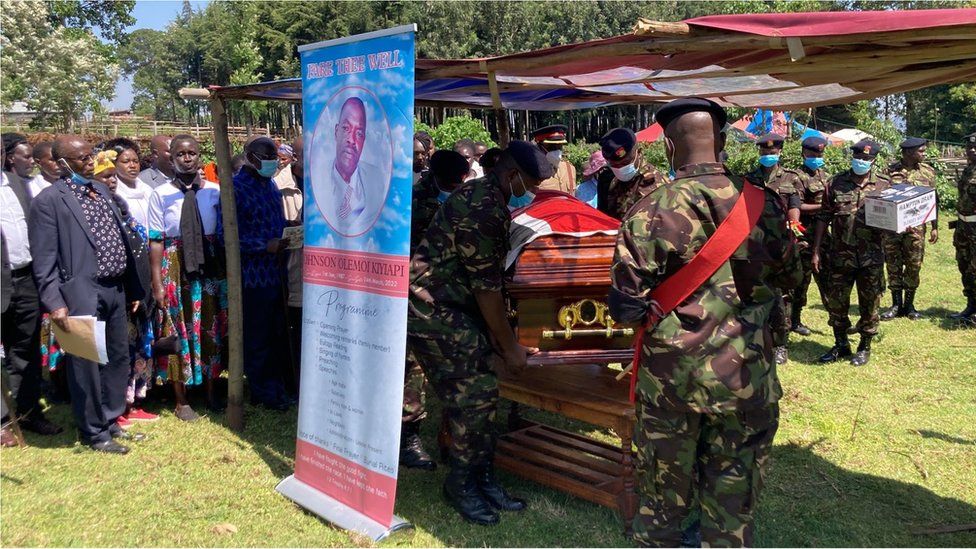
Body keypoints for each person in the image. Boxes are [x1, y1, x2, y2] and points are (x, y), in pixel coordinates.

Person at [608, 98, 800, 547]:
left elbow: (624, 305)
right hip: (745, 374)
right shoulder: (763, 204)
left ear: (670, 148)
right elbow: (791, 276)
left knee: (661, 498)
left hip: (673, 382)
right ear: (721, 140)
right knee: (733, 498)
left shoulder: (650, 209)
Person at [408, 141, 554, 525]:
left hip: (455, 305)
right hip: (432, 307)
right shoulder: (484, 207)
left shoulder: (488, 195)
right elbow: (486, 289)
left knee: (483, 392)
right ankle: (461, 483)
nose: (534, 193)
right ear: (511, 176)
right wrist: (510, 348)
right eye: (532, 185)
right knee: (472, 395)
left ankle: (483, 477)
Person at [29, 135, 145, 454]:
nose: (91, 161)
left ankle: (109, 418)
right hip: (79, 291)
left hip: (114, 288)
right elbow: (44, 258)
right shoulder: (49, 201)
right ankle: (93, 431)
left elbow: (119, 239)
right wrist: (54, 302)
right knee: (86, 364)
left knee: (118, 357)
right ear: (64, 163)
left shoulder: (100, 191)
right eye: (83, 158)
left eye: (91, 154)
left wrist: (133, 288)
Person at [401, 149, 471, 472]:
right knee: (411, 367)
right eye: (453, 182)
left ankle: (450, 433)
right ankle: (407, 439)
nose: (458, 186)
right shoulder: (411, 200)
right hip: (410, 295)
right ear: (438, 177)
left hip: (446, 296)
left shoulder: (458, 198)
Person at [148, 135, 226, 420]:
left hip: (209, 266)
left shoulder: (215, 191)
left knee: (209, 326)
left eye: (192, 152)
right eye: (180, 154)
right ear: (171, 157)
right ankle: (181, 399)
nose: (187, 158)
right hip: (175, 266)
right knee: (178, 329)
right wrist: (157, 283)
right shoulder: (160, 194)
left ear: (200, 156)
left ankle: (210, 390)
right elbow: (156, 240)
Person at [1, 135, 63, 441]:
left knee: (24, 349)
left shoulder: (17, 184)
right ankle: (2, 422)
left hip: (25, 279)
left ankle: (28, 414)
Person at [222, 136, 290, 410]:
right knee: (258, 337)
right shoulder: (235, 189)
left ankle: (277, 387)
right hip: (253, 277)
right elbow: (226, 236)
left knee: (277, 334)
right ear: (250, 156)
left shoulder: (270, 184)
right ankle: (264, 392)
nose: (272, 160)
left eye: (274, 155)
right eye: (265, 155)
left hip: (277, 273)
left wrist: (288, 231)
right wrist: (265, 245)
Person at [813, 139, 891, 366]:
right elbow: (823, 217)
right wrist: (817, 250)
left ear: (874, 160)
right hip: (840, 255)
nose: (861, 162)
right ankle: (841, 344)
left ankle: (864, 346)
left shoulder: (884, 186)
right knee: (837, 303)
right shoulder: (835, 183)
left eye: (866, 159)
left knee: (870, 303)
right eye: (858, 157)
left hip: (872, 256)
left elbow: (896, 217)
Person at [745, 133, 802, 364]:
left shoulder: (790, 178)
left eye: (773, 152)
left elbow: (795, 206)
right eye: (765, 152)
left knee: (779, 297)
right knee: (753, 294)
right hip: (753, 245)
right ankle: (755, 339)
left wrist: (793, 226)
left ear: (780, 152)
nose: (768, 155)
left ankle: (780, 344)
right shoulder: (749, 178)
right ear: (759, 153)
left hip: (779, 245)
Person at [881, 137, 939, 321]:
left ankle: (910, 304)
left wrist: (934, 227)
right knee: (893, 264)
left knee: (914, 265)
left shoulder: (928, 172)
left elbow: (932, 200)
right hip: (893, 229)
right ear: (908, 153)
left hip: (917, 229)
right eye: (920, 151)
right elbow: (882, 197)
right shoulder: (890, 171)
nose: (924, 154)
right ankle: (896, 304)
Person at [782, 136, 831, 336]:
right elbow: (797, 206)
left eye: (819, 154)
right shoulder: (797, 177)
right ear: (804, 154)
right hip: (803, 235)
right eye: (813, 155)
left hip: (824, 236)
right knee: (800, 281)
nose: (817, 158)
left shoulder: (825, 176)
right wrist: (823, 206)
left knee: (827, 278)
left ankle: (836, 318)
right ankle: (795, 320)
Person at [319, 97, 383, 235]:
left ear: (364, 140)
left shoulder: (377, 179)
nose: (351, 140)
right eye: (346, 128)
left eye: (359, 133)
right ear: (336, 131)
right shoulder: (317, 178)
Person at [275, 135, 304, 396]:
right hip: (294, 268)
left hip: (327, 272)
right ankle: (295, 386)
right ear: (293, 157)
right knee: (296, 330)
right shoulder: (278, 186)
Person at [598, 127, 665, 220]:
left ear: (639, 152)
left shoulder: (655, 182)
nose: (620, 168)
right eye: (614, 165)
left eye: (625, 163)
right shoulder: (609, 179)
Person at [950, 131, 976, 324]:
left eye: (975, 147)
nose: (972, 150)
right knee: (964, 265)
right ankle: (971, 305)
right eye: (969, 147)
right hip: (963, 226)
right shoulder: (968, 170)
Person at [532, 125, 577, 194]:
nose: (557, 150)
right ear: (539, 147)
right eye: (551, 147)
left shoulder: (570, 169)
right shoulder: (532, 173)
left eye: (559, 146)